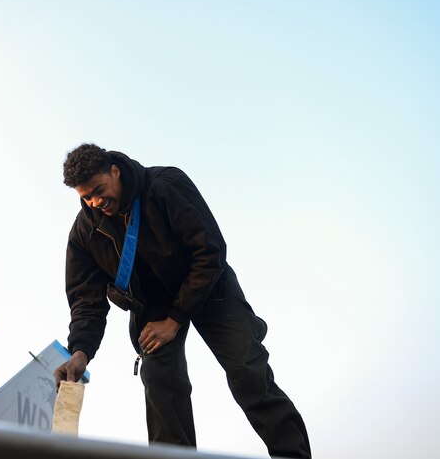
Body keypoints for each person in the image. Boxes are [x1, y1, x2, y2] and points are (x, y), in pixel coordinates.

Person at [54, 144, 311, 458]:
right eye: (86, 197)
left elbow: (210, 251)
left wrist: (176, 319)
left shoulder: (166, 185)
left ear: (115, 172)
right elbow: (86, 300)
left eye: (99, 190)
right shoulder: (85, 232)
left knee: (247, 370)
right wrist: (80, 352)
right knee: (159, 380)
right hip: (152, 306)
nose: (96, 202)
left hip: (208, 286)